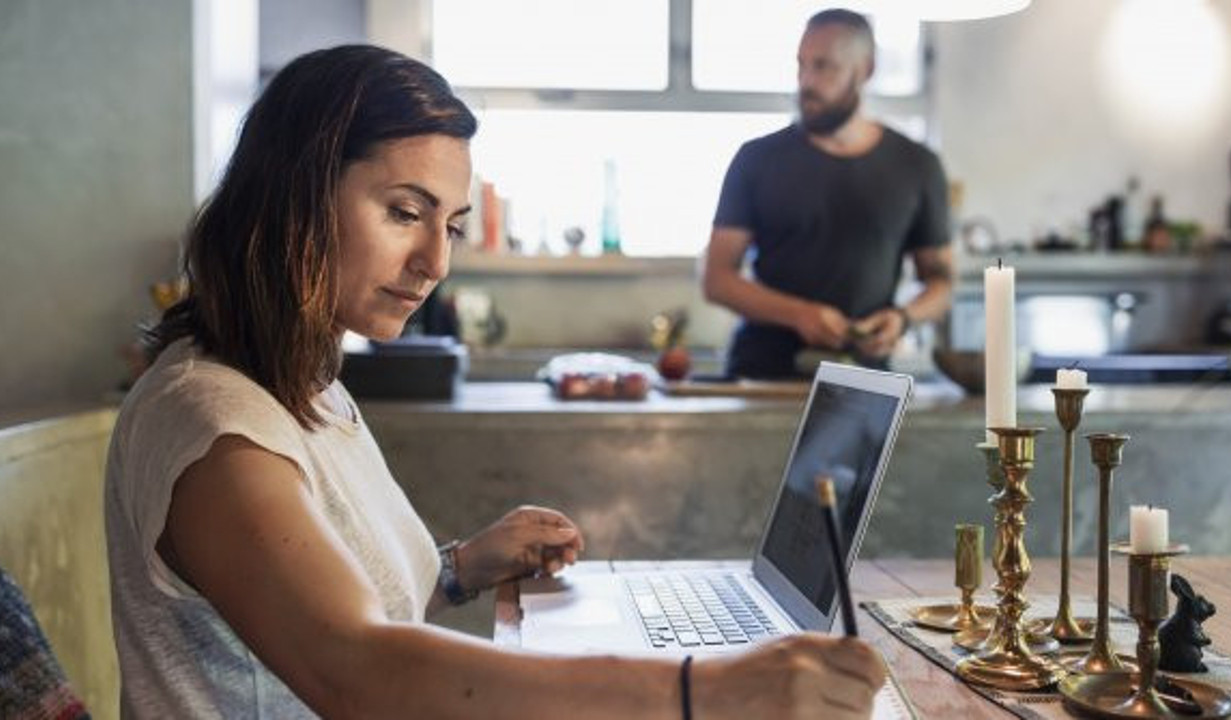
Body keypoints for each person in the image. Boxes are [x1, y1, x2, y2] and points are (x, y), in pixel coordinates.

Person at [105, 45, 886, 719]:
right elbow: (359, 673)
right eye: (404, 211)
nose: (436, 264)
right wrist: (706, 693)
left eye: (447, 225)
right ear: (295, 194)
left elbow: (328, 596)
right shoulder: (213, 422)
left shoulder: (304, 388)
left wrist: (462, 565)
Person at [701, 9, 954, 379]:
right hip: (762, 377)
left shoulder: (918, 165)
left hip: (865, 381)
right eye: (801, 65)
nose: (806, 81)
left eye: (824, 67)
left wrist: (902, 319)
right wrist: (799, 314)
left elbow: (941, 283)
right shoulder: (756, 159)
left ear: (864, 70)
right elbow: (717, 279)